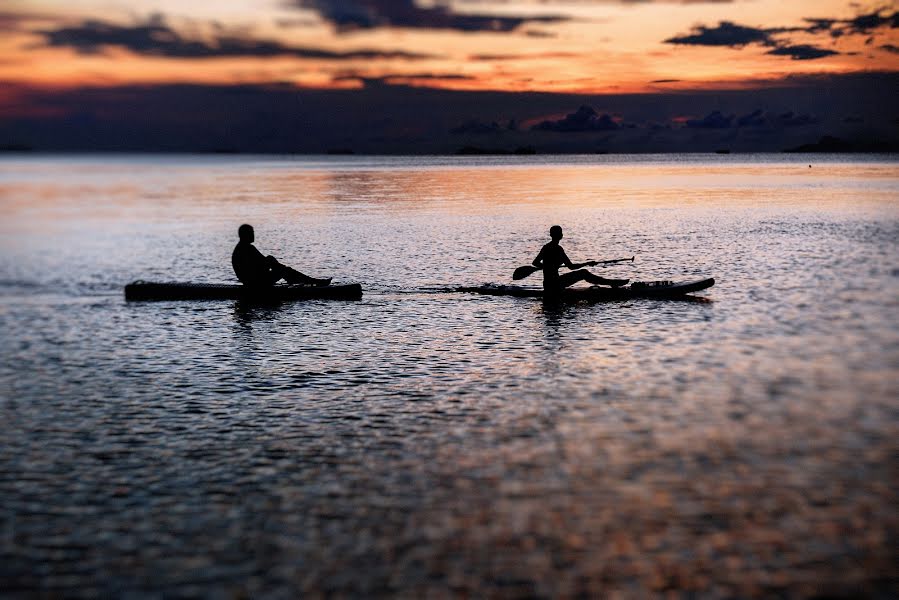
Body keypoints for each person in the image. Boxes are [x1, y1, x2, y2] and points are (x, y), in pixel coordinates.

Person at [532, 225, 628, 291]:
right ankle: (611, 283)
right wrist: (586, 263)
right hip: (555, 285)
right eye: (561, 233)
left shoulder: (546, 247)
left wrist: (547, 266)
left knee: (583, 272)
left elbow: (535, 263)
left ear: (551, 235)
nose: (562, 234)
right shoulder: (558, 249)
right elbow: (571, 267)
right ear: (560, 236)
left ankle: (611, 283)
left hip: (548, 285)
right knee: (583, 273)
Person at [231, 224, 331, 287]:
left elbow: (260, 264)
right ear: (245, 234)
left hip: (253, 280)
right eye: (251, 233)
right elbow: (259, 266)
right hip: (255, 283)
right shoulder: (246, 249)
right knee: (280, 267)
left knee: (276, 264)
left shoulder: (243, 247)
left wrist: (272, 264)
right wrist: (274, 265)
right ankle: (313, 282)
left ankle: (296, 278)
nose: (253, 235)